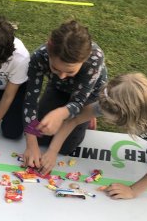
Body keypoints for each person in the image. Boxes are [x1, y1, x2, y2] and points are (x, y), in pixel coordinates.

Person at [22, 20, 107, 168]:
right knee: (40, 136)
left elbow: (79, 101)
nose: (62, 76)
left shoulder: (95, 58)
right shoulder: (38, 56)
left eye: (70, 71)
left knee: (66, 148)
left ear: (84, 59)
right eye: (55, 68)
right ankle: (68, 110)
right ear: (49, 51)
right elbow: (30, 102)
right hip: (58, 88)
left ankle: (88, 115)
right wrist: (31, 144)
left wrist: (61, 113)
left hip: (89, 93)